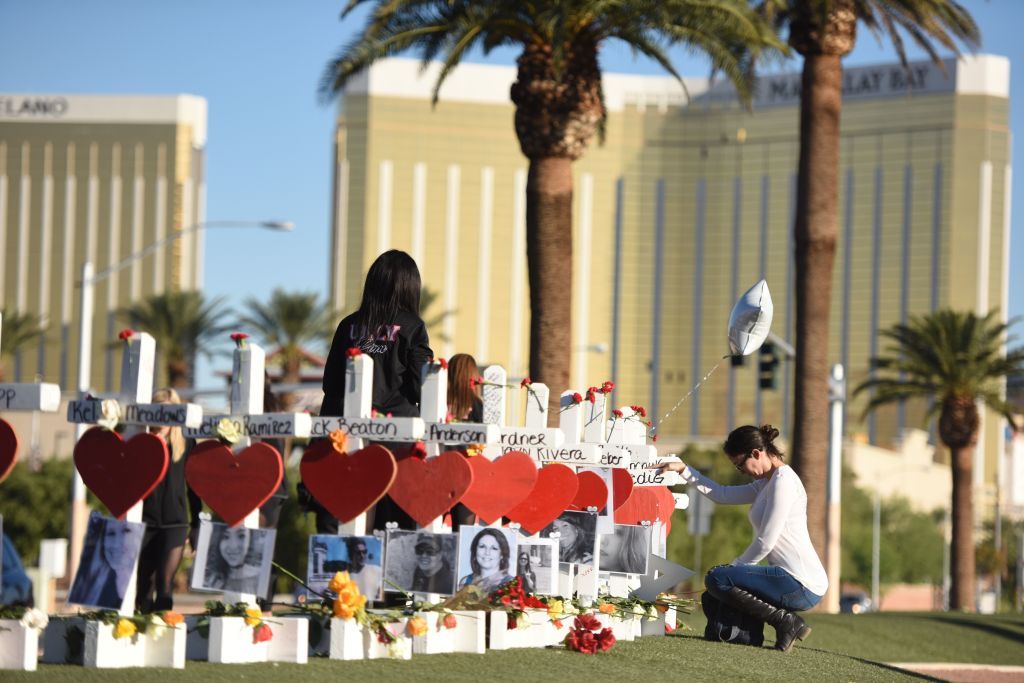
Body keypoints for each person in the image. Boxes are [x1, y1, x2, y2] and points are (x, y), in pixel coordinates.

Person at [652, 424, 827, 652]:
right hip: (789, 580)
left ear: (756, 453)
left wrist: (735, 569)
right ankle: (762, 631)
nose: (741, 471)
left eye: (739, 465)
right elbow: (721, 494)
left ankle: (786, 622)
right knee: (717, 587)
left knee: (718, 579)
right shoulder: (767, 482)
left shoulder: (784, 482)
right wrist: (684, 470)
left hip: (801, 583)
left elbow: (766, 541)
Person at [314, 249, 433, 533]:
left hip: (345, 441)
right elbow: (424, 385)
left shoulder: (348, 325)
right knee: (393, 529)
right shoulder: (412, 327)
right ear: (409, 286)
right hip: (396, 444)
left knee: (345, 523)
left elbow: (330, 383)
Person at [136, 387, 194, 612]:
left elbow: (193, 487)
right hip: (145, 522)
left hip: (175, 523)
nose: (162, 419)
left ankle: (163, 634)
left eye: (168, 413)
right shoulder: (141, 442)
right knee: (143, 585)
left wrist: (197, 524)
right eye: (158, 412)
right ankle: (140, 631)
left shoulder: (185, 444)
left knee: (164, 582)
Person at [69, 514, 144, 610]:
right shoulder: (97, 591)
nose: (117, 544)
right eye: (111, 534)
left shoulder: (144, 586)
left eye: (126, 532)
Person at [445, 353, 483, 529]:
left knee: (430, 528)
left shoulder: (439, 399)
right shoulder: (476, 404)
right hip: (468, 472)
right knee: (462, 532)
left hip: (439, 468)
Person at [205, 525, 262, 594]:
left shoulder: (260, 579)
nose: (233, 546)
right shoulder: (211, 579)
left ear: (250, 539)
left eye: (241, 536)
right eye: (225, 537)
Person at [458, 528, 513, 593]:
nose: (487, 552)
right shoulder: (465, 581)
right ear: (475, 551)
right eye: (482, 546)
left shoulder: (511, 584)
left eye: (494, 548)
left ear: (502, 554)